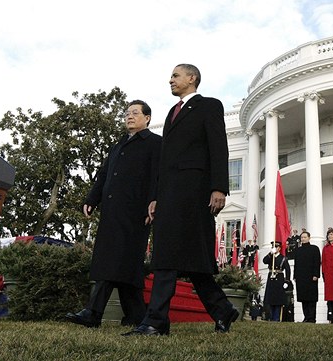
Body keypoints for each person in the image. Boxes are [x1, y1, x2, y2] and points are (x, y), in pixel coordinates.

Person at [124, 64, 236, 336]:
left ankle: (155, 321)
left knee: (186, 258)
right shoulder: (172, 114)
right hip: (169, 195)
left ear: (191, 78)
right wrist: (155, 196)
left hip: (195, 193)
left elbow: (218, 147)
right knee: (170, 255)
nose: (170, 80)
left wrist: (219, 187)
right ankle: (221, 310)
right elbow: (164, 162)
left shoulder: (209, 106)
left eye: (175, 75)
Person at [66, 100, 162, 328]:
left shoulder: (155, 143)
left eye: (135, 113)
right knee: (126, 266)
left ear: (147, 118)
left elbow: (158, 176)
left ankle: (93, 313)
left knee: (114, 261)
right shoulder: (118, 145)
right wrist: (92, 198)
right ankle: (136, 316)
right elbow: (103, 174)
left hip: (137, 211)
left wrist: (154, 201)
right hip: (111, 212)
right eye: (127, 113)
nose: (129, 116)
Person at [293, 231, 321, 322]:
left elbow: (317, 262)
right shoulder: (298, 250)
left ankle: (312, 318)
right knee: (303, 298)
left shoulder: (314, 249)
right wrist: (295, 276)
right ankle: (306, 317)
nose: (303, 239)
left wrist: (316, 274)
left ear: (309, 238)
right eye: (302, 237)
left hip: (311, 277)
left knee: (311, 299)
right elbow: (296, 264)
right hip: (301, 277)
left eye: (305, 237)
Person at [263, 241, 291, 321]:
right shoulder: (271, 257)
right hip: (271, 279)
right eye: (273, 247)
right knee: (271, 299)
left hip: (279, 279)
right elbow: (264, 261)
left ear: (279, 248)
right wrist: (270, 253)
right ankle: (270, 317)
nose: (274, 248)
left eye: (276, 247)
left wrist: (287, 281)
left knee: (278, 300)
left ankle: (276, 318)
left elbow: (288, 270)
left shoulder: (283, 258)